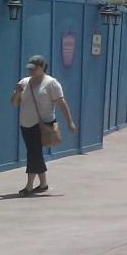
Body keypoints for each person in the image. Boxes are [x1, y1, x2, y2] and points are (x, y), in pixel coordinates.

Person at [10, 55, 77, 196]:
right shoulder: (24, 82)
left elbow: (61, 103)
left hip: (43, 123)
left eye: (34, 68)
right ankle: (43, 184)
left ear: (42, 68)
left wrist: (69, 121)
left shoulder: (51, 83)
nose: (31, 71)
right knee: (35, 153)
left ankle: (29, 186)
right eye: (30, 68)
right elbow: (14, 103)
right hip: (26, 123)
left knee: (33, 153)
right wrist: (18, 92)